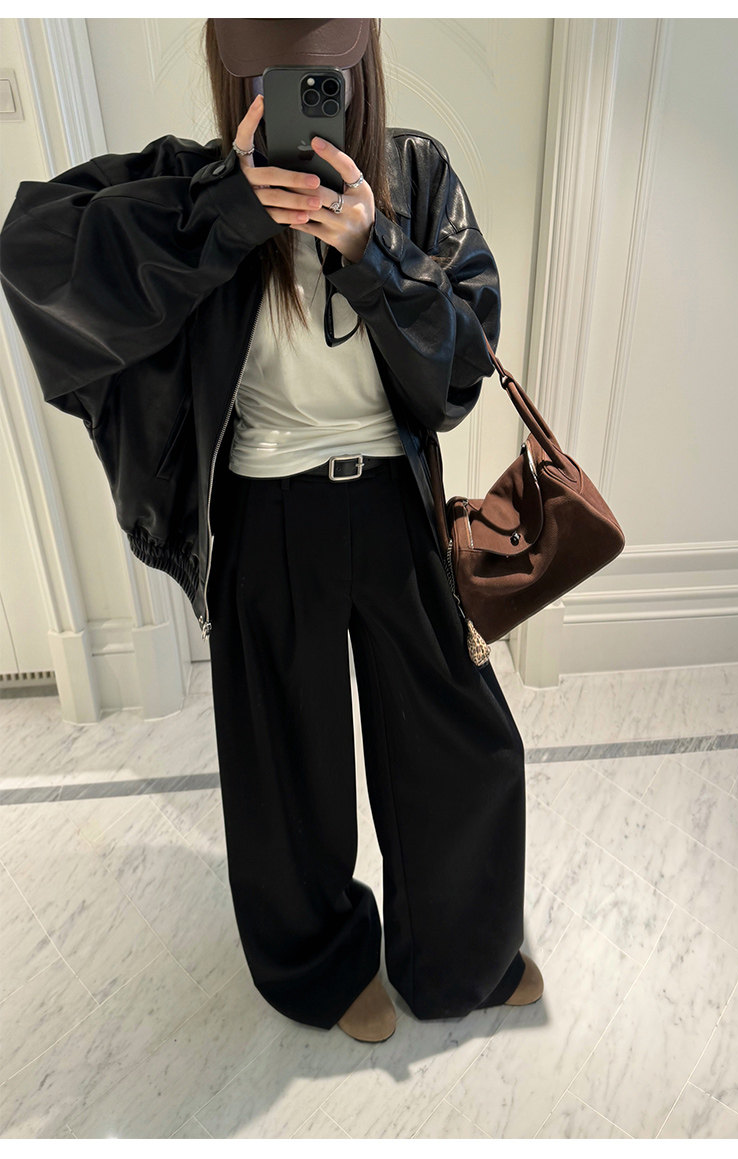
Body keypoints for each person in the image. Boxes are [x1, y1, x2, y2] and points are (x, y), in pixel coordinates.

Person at [0, 18, 543, 1043]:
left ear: (360, 67)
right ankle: (322, 968)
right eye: (269, 77)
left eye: (322, 75)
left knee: (460, 743)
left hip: (392, 501)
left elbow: (461, 373)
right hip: (264, 511)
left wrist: (373, 252)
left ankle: (465, 952)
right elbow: (30, 253)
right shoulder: (189, 185)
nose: (298, 95)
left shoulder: (415, 177)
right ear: (232, 79)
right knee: (286, 764)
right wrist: (224, 215)